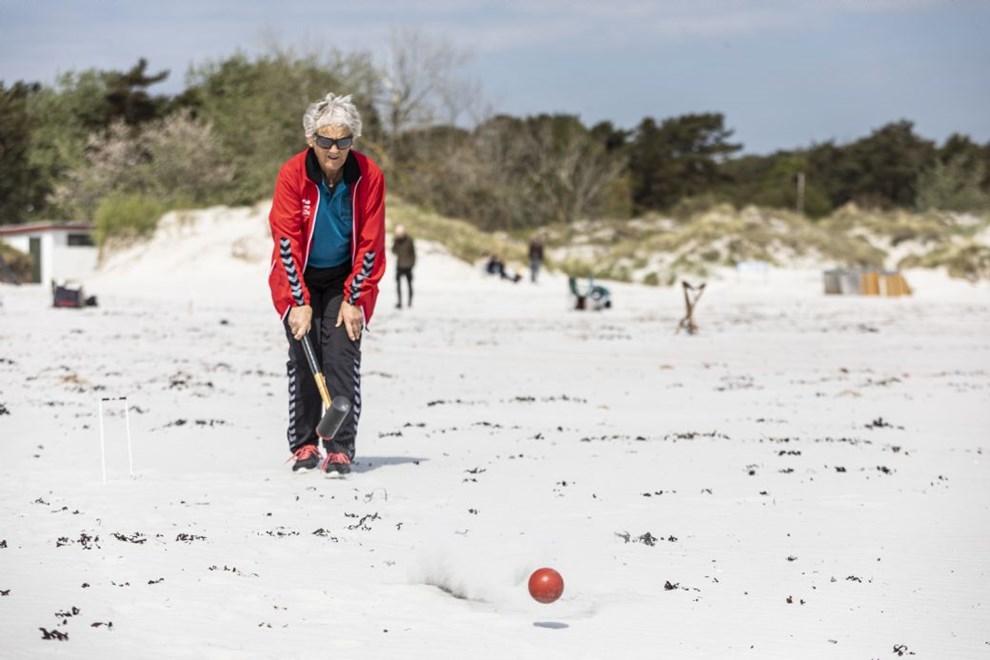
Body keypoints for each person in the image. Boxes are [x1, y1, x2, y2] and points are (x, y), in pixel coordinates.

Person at [267, 92, 386, 476]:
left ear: (353, 140)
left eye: (343, 140)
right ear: (311, 139)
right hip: (298, 276)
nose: (334, 150)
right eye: (325, 141)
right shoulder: (292, 174)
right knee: (304, 356)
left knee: (340, 354)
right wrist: (297, 301)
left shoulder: (369, 176)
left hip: (345, 278)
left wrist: (355, 299)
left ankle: (339, 447)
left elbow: (371, 244)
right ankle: (304, 445)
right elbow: (286, 242)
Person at [391, 224, 415, 308]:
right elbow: (393, 251)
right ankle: (399, 302)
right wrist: (395, 241)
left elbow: (413, 253)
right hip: (400, 265)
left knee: (409, 284)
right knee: (398, 285)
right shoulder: (397, 241)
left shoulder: (409, 240)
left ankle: (409, 302)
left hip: (408, 266)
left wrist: (412, 264)